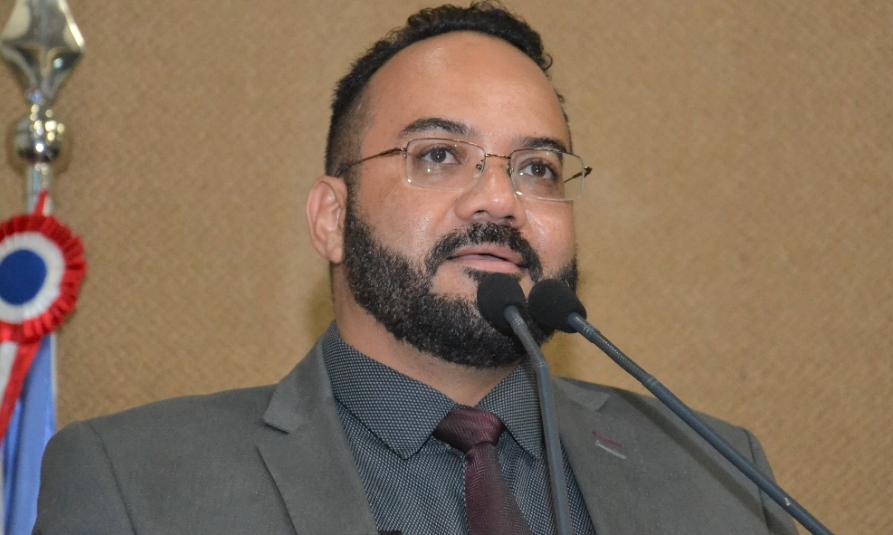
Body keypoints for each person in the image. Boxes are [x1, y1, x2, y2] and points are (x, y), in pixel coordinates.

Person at [34, 3, 797, 534]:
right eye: (437, 155)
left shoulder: (719, 473)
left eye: (536, 167)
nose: (498, 199)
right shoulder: (135, 482)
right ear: (330, 218)